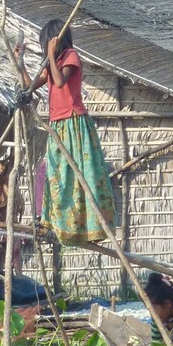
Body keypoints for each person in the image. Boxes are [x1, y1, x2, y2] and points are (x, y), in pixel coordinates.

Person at [17, 19, 116, 245]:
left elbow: (60, 82)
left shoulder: (70, 57)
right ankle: (57, 223)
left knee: (83, 174)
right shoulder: (53, 62)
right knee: (55, 174)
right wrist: (20, 62)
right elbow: (29, 86)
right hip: (58, 126)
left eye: (48, 44)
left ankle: (92, 226)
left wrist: (51, 56)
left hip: (74, 123)